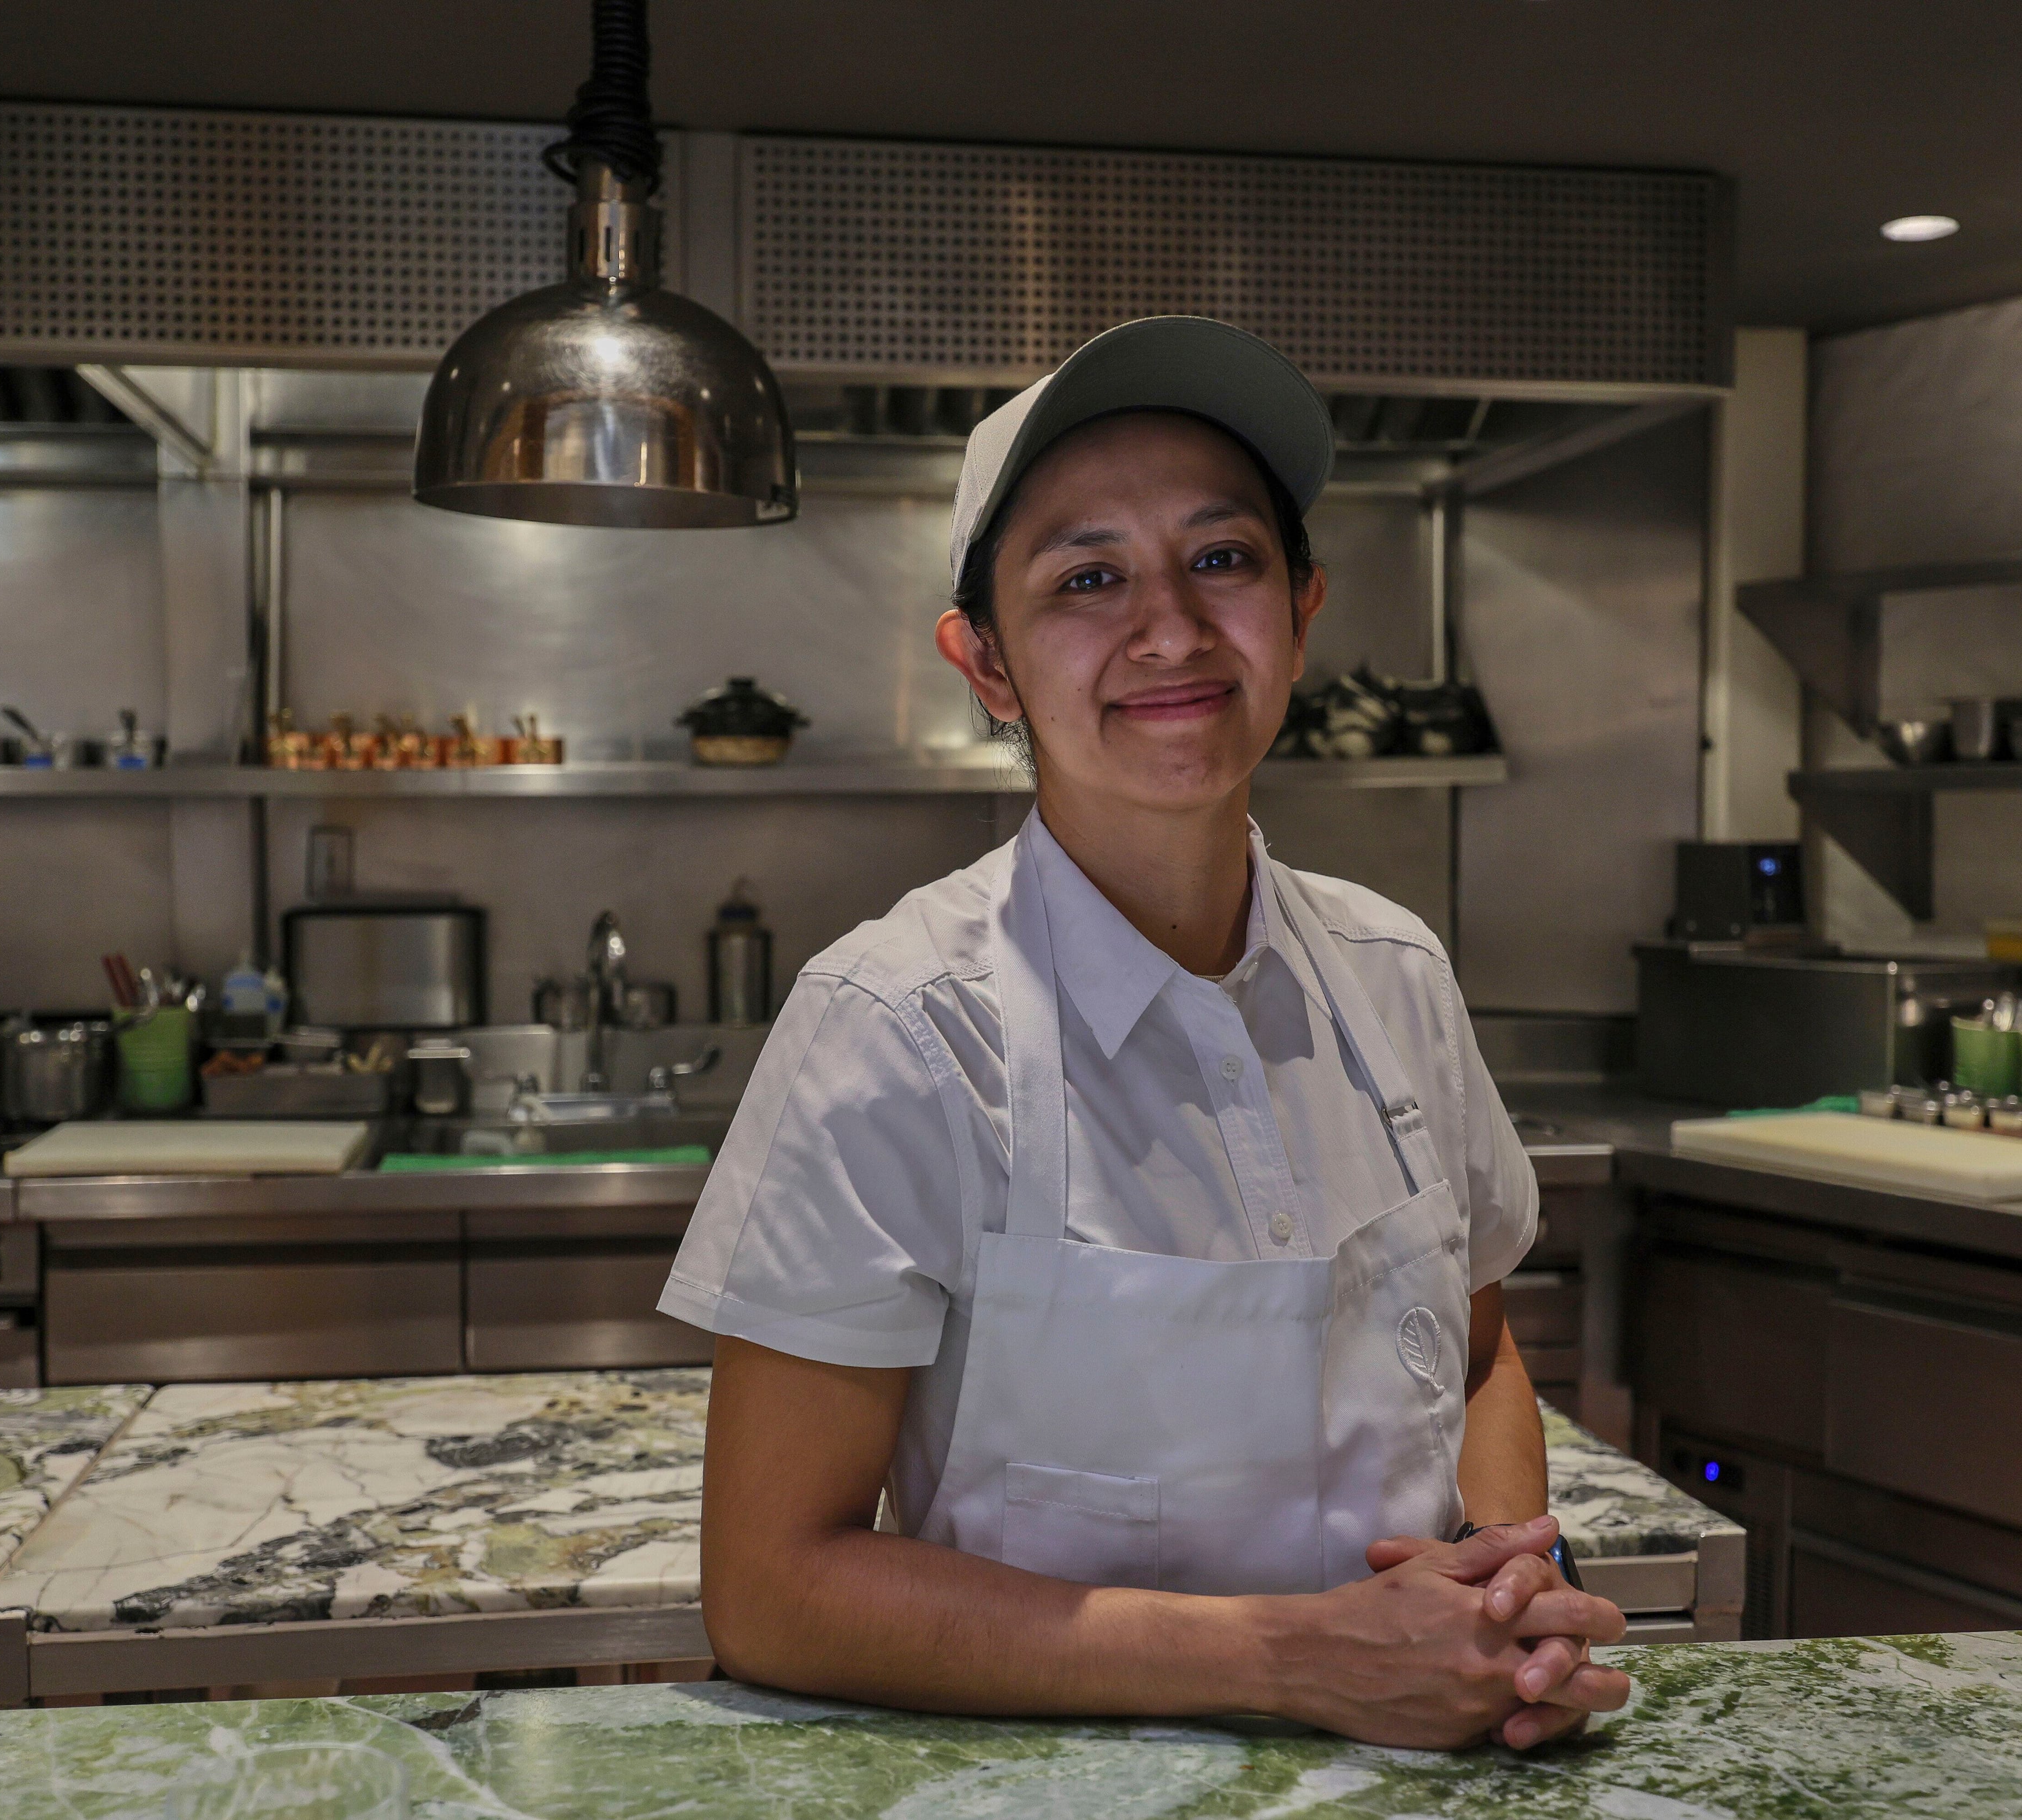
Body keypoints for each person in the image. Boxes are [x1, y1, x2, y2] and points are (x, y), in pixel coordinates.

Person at [658, 316, 1629, 1750]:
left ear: (1301, 613)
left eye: (1221, 560)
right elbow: (774, 1589)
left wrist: (1501, 1590)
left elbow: (1478, 1349)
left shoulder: (1396, 973)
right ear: (985, 666)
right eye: (1088, 578)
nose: (1170, 628)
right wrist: (1301, 1661)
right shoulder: (900, 1025)